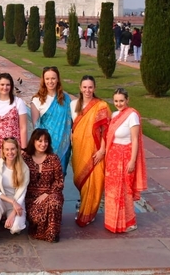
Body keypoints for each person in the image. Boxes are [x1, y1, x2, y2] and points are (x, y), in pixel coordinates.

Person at [104, 88, 147, 233]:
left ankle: (129, 222)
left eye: (121, 100)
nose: (119, 104)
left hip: (125, 157)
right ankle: (113, 222)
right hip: (113, 158)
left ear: (127, 100)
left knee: (125, 191)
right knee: (113, 191)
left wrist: (133, 161)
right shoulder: (115, 114)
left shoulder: (132, 116)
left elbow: (135, 140)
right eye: (116, 101)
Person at [0, 73, 28, 212]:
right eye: (2, 84)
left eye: (8, 85)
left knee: (13, 177)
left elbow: (23, 127)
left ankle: (12, 209)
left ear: (12, 86)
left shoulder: (18, 102)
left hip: (13, 149)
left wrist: (23, 148)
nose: (5, 87)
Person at [70, 75, 110, 227]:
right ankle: (83, 206)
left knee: (93, 182)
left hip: (95, 150)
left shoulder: (101, 106)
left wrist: (102, 150)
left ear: (94, 88)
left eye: (90, 87)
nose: (87, 90)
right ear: (80, 88)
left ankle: (89, 212)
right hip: (79, 150)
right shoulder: (73, 105)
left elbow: (106, 131)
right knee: (81, 180)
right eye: (85, 87)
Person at [0, 137, 29, 247]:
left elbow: (22, 194)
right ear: (3, 151)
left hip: (17, 203)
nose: (10, 152)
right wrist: (11, 201)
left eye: (13, 149)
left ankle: (10, 220)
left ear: (17, 150)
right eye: (7, 149)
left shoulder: (24, 168)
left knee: (15, 229)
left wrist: (13, 213)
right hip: (2, 200)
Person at [23, 129, 64, 243]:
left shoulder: (53, 158)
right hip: (32, 198)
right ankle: (38, 231)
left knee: (54, 202)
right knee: (38, 216)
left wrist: (47, 194)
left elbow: (59, 181)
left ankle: (52, 234)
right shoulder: (25, 158)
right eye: (40, 141)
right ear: (33, 141)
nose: (43, 144)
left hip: (51, 193)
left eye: (46, 141)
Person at [31, 66, 72, 174]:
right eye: (47, 79)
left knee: (59, 180)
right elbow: (36, 127)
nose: (50, 81)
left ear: (58, 79)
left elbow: (69, 123)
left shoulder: (66, 99)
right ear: (43, 80)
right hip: (45, 146)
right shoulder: (37, 100)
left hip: (63, 146)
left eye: (53, 78)